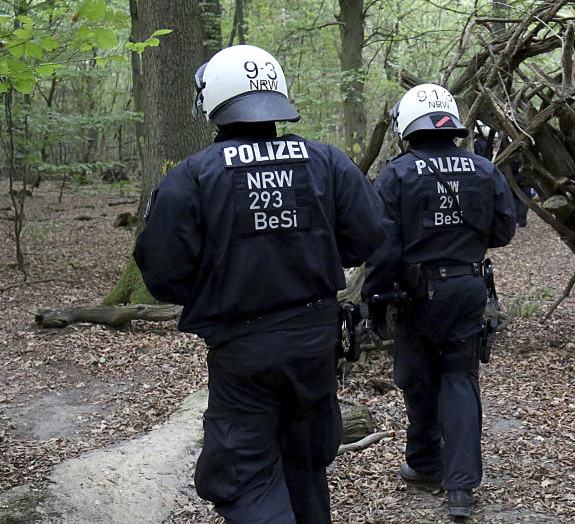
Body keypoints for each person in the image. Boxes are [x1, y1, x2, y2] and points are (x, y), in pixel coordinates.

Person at [133, 44, 385, 524]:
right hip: (316, 343)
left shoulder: (193, 176)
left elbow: (163, 274)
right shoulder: (326, 161)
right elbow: (368, 236)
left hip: (244, 350)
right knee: (306, 466)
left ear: (215, 100)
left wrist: (222, 285)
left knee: (245, 476)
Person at [362, 83, 517, 518]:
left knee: (418, 377)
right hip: (468, 289)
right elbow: (504, 231)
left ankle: (427, 464)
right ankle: (461, 488)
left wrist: (375, 302)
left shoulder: (396, 174)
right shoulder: (484, 170)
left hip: (415, 294)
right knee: (460, 378)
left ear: (407, 126)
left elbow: (383, 247)